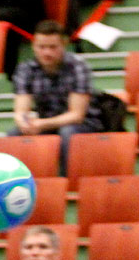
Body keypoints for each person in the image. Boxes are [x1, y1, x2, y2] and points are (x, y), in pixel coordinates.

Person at [10, 19, 104, 174]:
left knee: (67, 132)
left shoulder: (78, 67)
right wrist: (23, 122)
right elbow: (21, 109)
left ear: (63, 45)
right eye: (42, 47)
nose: (47, 52)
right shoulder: (25, 69)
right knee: (13, 135)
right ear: (34, 46)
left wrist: (41, 124)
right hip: (46, 123)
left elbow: (77, 115)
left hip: (84, 124)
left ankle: (67, 183)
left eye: (53, 47)